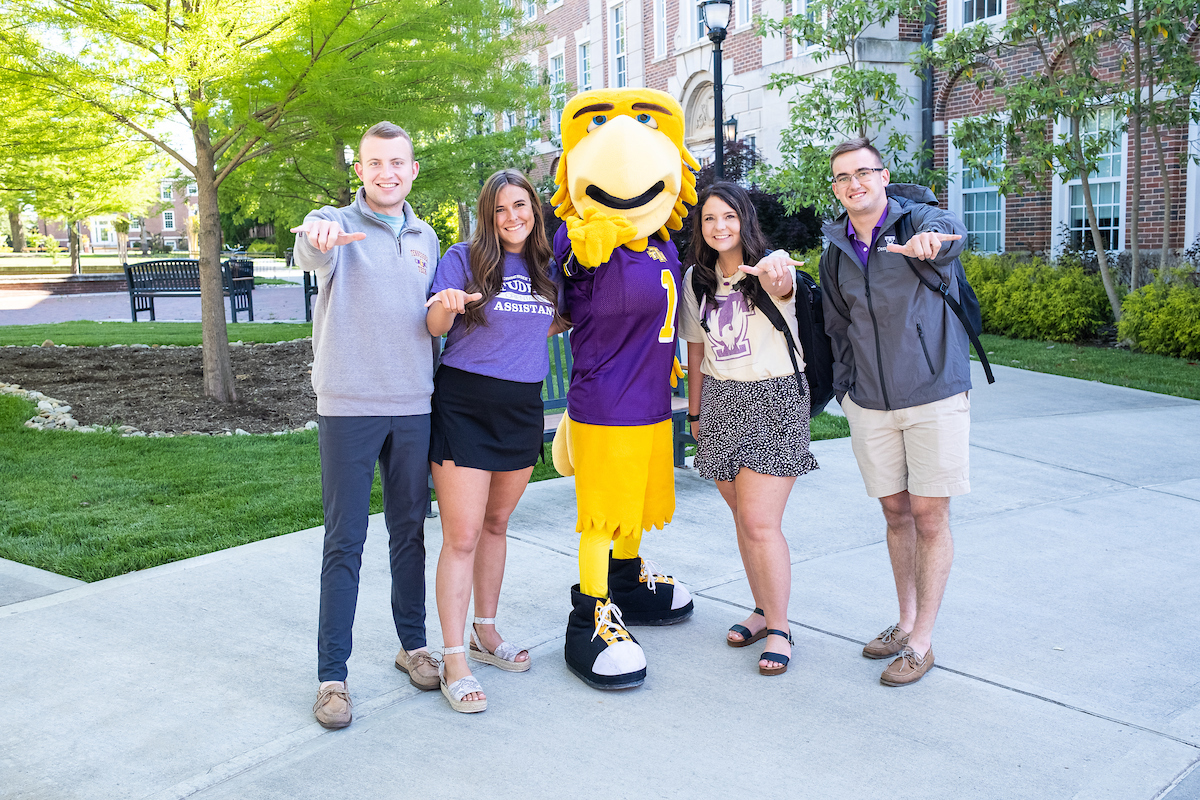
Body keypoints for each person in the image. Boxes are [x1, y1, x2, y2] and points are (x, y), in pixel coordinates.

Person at [291, 121, 443, 729]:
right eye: (375, 163)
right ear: (361, 170)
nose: (387, 173)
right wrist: (320, 237)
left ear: (412, 169)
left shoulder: (426, 237)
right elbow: (309, 247)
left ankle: (412, 645)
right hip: (348, 404)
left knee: (409, 533)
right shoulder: (333, 223)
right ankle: (333, 678)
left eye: (398, 163)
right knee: (344, 541)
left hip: (413, 403)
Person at [818, 137, 968, 687]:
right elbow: (837, 328)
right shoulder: (836, 249)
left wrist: (931, 242)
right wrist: (846, 391)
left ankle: (923, 641)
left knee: (930, 515)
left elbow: (950, 236)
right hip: (870, 403)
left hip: (934, 394)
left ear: (883, 176)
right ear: (836, 188)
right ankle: (904, 623)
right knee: (895, 512)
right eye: (842, 177)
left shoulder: (917, 220)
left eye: (863, 173)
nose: (854, 184)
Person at [424, 169, 565, 713]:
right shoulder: (463, 258)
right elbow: (435, 325)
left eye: (522, 207)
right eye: (502, 209)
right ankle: (453, 656)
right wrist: (449, 303)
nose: (513, 218)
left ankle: (486, 631)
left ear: (535, 211)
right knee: (461, 536)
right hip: (464, 406)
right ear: (489, 213)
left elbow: (553, 321)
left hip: (520, 408)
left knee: (496, 525)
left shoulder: (545, 266)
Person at [679, 182, 818, 677]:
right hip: (719, 403)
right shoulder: (697, 280)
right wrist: (695, 414)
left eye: (729, 217)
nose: (720, 227)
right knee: (743, 519)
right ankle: (761, 610)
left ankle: (779, 627)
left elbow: (782, 281)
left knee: (761, 523)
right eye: (710, 219)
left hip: (774, 398)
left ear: (745, 219)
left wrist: (777, 270)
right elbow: (695, 351)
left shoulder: (769, 267)